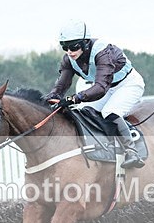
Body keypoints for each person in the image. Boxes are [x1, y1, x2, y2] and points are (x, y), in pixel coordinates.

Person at [44, 20, 146, 168]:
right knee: (86, 112)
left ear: (85, 43)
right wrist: (50, 97)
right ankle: (106, 145)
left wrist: (74, 98)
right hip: (105, 87)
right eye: (65, 47)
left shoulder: (102, 52)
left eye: (73, 46)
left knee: (110, 112)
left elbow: (100, 88)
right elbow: (62, 85)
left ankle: (132, 151)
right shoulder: (69, 59)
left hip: (127, 84)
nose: (69, 51)